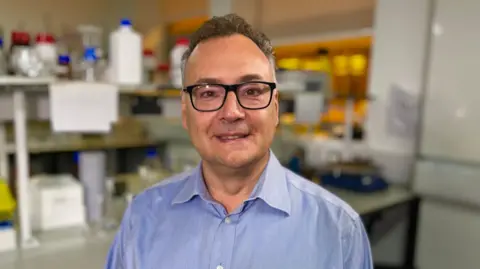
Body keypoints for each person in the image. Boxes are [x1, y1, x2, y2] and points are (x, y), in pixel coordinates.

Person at [105, 14, 373, 269]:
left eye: (252, 91)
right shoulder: (142, 218)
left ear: (275, 108)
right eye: (208, 92)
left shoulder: (338, 230)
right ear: (185, 113)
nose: (232, 112)